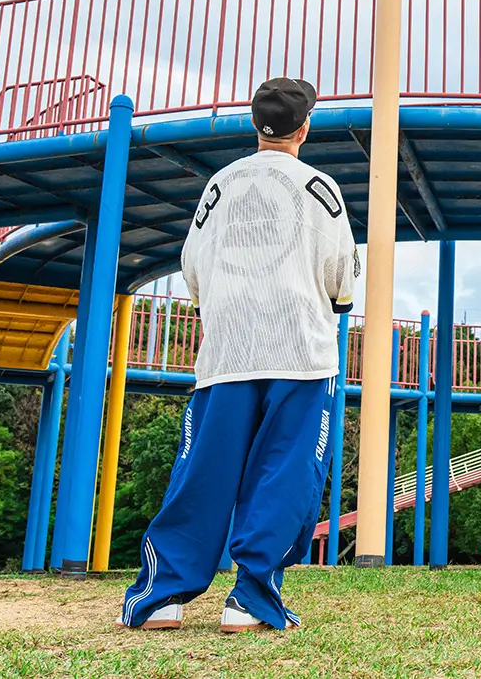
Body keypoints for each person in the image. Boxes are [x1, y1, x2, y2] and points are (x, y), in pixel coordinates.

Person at [117, 77, 357, 634]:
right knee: (284, 474)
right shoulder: (320, 187)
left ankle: (161, 598)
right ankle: (249, 598)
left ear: (255, 125)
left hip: (227, 350)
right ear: (305, 127)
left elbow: (193, 271)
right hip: (300, 351)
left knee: (202, 470)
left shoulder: (218, 186)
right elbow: (341, 281)